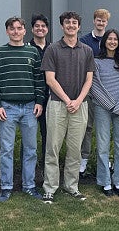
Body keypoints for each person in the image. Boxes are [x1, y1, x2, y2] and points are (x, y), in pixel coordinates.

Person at [0, 17, 45, 202]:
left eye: (19, 28)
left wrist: (39, 102)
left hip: (30, 107)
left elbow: (39, 80)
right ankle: (6, 187)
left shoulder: (33, 52)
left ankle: (29, 185)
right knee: (6, 149)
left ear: (24, 31)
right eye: (12, 29)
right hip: (7, 107)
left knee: (31, 149)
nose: (15, 32)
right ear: (7, 31)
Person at [41, 11, 95, 204]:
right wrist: (67, 100)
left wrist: (78, 100)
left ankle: (72, 186)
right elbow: (50, 79)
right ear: (62, 26)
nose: (71, 25)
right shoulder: (53, 49)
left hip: (80, 105)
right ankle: (50, 188)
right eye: (67, 23)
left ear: (79, 27)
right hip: (57, 104)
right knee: (53, 148)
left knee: (75, 149)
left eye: (74, 23)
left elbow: (89, 80)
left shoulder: (87, 50)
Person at [91, 29, 119, 197]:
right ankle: (105, 182)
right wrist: (110, 105)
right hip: (103, 108)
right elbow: (95, 86)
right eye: (109, 39)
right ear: (104, 42)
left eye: (115, 39)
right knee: (102, 146)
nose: (112, 42)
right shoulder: (96, 62)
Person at [79, 9, 111, 177]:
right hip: (88, 91)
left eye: (103, 21)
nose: (101, 23)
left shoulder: (111, 40)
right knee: (87, 126)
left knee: (104, 128)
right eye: (98, 20)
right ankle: (83, 160)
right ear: (94, 21)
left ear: (107, 23)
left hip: (107, 93)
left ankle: (105, 160)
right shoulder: (84, 41)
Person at [28, 13, 51, 169]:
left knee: (48, 138)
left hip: (50, 99)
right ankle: (27, 173)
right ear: (32, 29)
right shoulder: (26, 48)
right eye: (37, 26)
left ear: (47, 29)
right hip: (31, 99)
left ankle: (45, 172)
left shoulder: (53, 48)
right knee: (28, 139)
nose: (40, 29)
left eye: (43, 26)